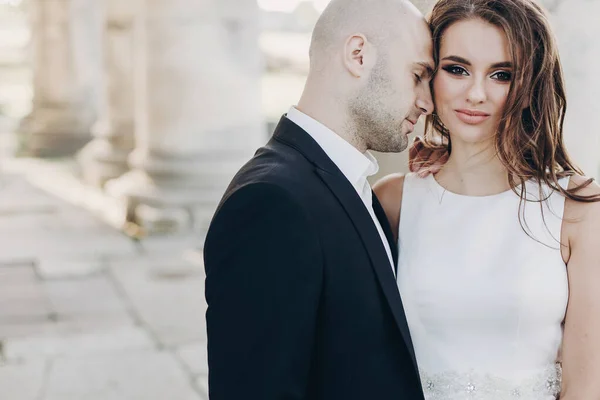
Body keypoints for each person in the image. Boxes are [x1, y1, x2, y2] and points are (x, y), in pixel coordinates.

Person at [203, 0, 434, 398]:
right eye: (418, 75)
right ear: (358, 55)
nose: (428, 101)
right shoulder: (270, 204)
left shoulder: (352, 184)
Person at [374, 0, 600, 398]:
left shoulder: (580, 208)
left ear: (529, 88)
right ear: (429, 76)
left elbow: (586, 386)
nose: (476, 93)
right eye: (456, 69)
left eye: (502, 74)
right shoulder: (392, 201)